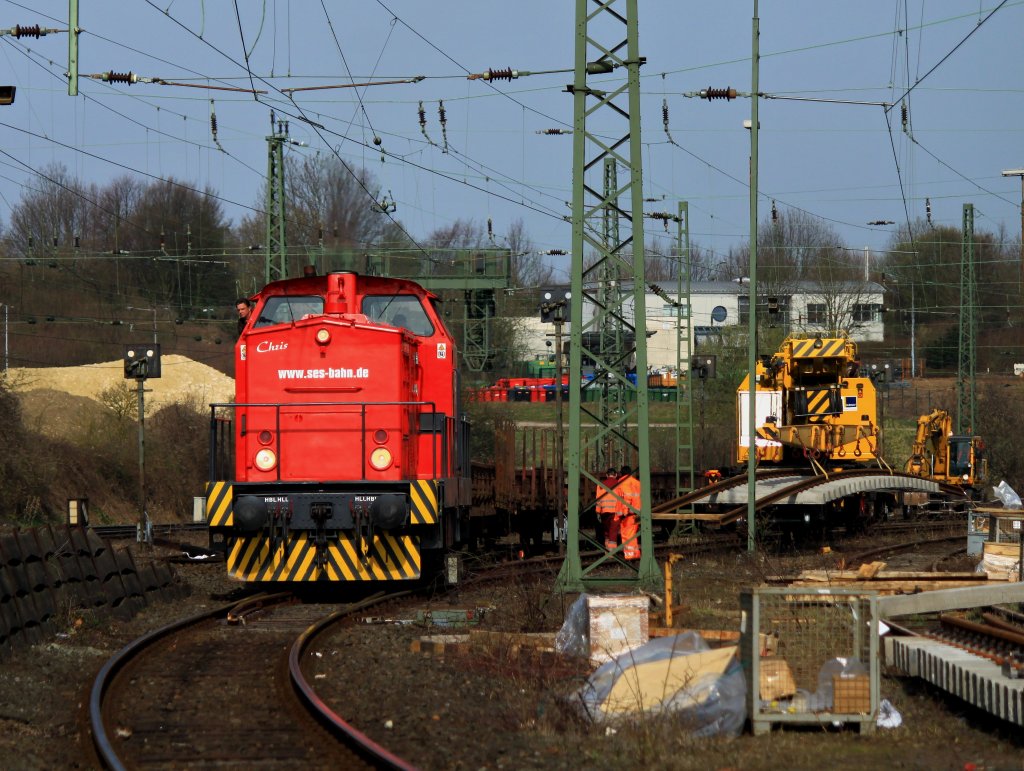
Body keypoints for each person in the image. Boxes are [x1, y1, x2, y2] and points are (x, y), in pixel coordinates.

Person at [614, 464, 642, 560]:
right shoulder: (637, 483)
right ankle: (635, 554)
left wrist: (624, 513)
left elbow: (626, 498)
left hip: (628, 514)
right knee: (632, 535)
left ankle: (630, 556)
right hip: (637, 513)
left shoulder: (622, 483)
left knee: (627, 536)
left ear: (622, 474)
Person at [595, 467, 621, 553]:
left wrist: (598, 512)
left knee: (606, 531)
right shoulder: (619, 485)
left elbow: (598, 500)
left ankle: (607, 550)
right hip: (615, 512)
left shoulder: (600, 486)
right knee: (613, 531)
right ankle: (611, 552)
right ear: (616, 475)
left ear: (606, 475)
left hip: (604, 512)